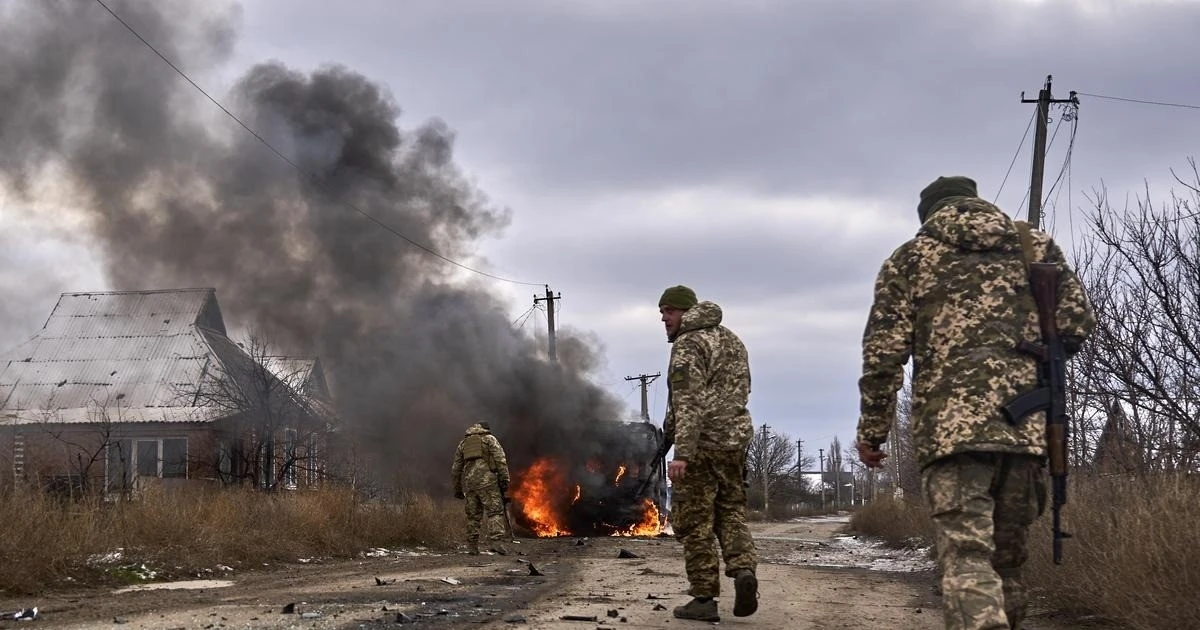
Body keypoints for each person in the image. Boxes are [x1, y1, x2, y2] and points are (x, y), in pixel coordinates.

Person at [855, 176, 1095, 630]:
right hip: (1025, 429)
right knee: (1007, 565)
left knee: (966, 557)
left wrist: (872, 432)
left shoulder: (910, 259)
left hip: (952, 437)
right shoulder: (1034, 246)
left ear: (928, 214)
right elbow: (1076, 324)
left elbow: (883, 357)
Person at [658, 285, 759, 622]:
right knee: (730, 511)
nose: (663, 317)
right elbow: (742, 390)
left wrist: (681, 452)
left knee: (694, 522)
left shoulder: (689, 344)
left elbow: (688, 403)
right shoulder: (731, 340)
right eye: (662, 311)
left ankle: (703, 599)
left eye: (669, 311)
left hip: (701, 446)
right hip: (734, 443)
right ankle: (743, 569)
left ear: (686, 311)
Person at [450, 422, 511, 555]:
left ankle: (472, 546)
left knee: (473, 516)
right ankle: (496, 543)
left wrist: (457, 489)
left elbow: (456, 468)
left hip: (470, 484)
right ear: (486, 429)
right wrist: (505, 479)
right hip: (487, 481)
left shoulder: (464, 443)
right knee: (494, 512)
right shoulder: (489, 439)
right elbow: (500, 459)